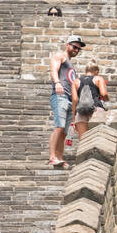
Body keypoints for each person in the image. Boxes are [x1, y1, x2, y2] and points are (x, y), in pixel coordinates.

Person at [48, 36, 85, 168]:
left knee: (64, 131)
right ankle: (52, 157)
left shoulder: (70, 64)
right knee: (59, 126)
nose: (76, 50)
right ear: (67, 45)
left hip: (69, 99)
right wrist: (57, 82)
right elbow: (53, 70)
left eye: (78, 49)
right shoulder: (60, 55)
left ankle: (59, 157)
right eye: (74, 47)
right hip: (60, 95)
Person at [73, 63, 109, 138]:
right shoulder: (98, 78)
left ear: (86, 71)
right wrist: (107, 100)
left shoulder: (76, 81)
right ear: (96, 71)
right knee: (98, 138)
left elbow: (75, 100)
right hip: (97, 110)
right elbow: (104, 94)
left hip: (81, 112)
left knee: (83, 140)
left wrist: (73, 118)